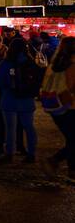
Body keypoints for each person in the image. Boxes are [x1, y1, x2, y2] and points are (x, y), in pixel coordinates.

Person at [0, 37, 39, 164]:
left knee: (10, 128)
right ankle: (32, 153)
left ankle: (10, 153)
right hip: (27, 100)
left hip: (9, 99)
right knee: (29, 127)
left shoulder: (6, 63)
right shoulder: (30, 62)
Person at [42, 36, 75, 177]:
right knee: (74, 139)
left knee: (71, 138)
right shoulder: (72, 64)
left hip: (55, 105)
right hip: (70, 106)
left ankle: (72, 169)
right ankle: (54, 160)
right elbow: (71, 87)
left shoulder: (55, 63)